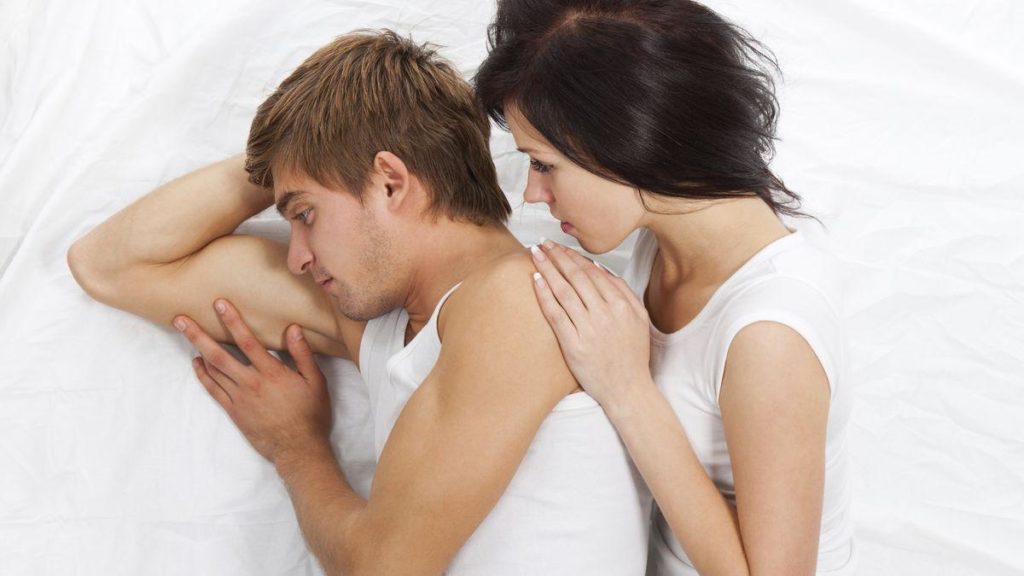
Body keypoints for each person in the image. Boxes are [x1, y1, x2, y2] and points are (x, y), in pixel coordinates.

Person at [67, 30, 651, 575]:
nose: (298, 257)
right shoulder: (382, 320)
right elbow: (110, 266)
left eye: (304, 214)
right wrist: (291, 158)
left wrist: (296, 449)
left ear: (390, 182)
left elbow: (384, 565)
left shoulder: (529, 299)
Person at [475, 1, 856, 575]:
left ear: (626, 140)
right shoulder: (659, 245)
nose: (532, 193)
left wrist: (627, 389)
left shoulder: (770, 335)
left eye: (544, 165)